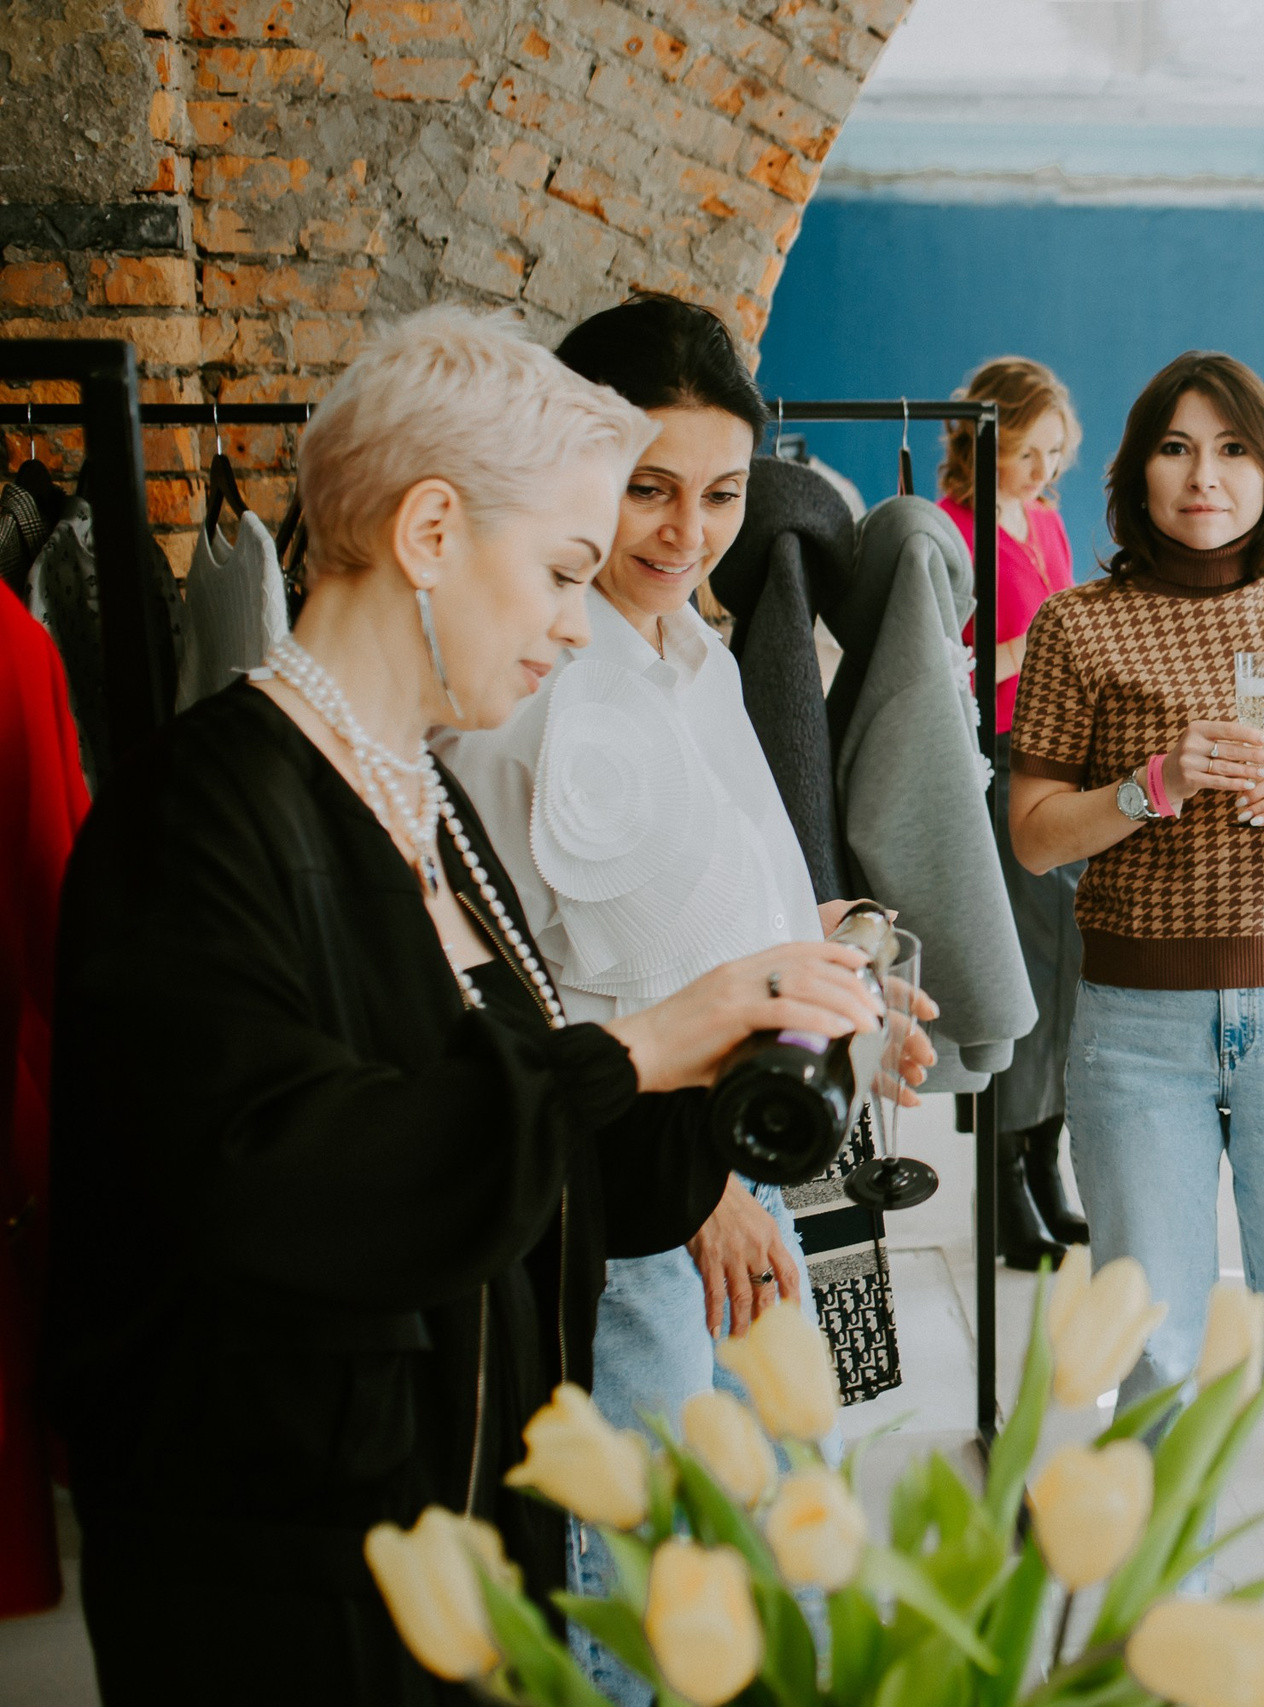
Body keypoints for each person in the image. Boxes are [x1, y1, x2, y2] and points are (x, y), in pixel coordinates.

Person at [44, 307, 898, 1704]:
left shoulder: (419, 797)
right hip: (293, 1577)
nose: (579, 620)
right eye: (564, 569)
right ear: (432, 533)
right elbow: (282, 1180)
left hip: (441, 1534)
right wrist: (637, 1045)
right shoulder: (201, 810)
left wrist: (718, 1059)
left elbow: (506, 1141)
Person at [435, 295, 931, 1705]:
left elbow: (717, 911)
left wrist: (846, 976)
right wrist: (684, 1175)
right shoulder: (531, 683)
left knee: (773, 1559)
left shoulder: (691, 657)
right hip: (643, 1204)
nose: (684, 528)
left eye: (718, 492)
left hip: (742, 1167)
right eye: (649, 486)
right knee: (647, 1590)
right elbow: (521, 984)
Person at [1006, 350, 1264, 1698]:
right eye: (1176, 448)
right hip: (1135, 1024)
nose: (1205, 476)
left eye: (1231, 450)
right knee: (1156, 1334)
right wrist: (1154, 783)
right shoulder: (1077, 624)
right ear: (1138, 471)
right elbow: (1035, 831)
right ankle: (1165, 1604)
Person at [935, 356, 1090, 1269]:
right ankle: (1001, 1192)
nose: (1042, 471)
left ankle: (1044, 1165)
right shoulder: (950, 529)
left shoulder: (1044, 521)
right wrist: (1032, 642)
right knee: (1015, 975)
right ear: (985, 436)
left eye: (1055, 454)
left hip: (1056, 762)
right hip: (992, 762)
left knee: (1069, 971)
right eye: (1029, 452)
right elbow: (947, 677)